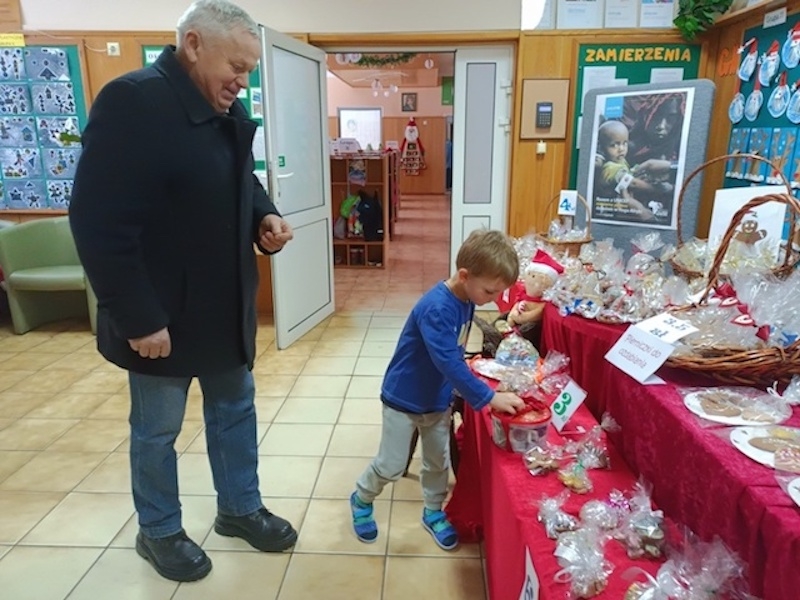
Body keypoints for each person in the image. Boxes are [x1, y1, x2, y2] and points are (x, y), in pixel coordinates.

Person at [69, 0, 297, 583]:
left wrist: (262, 217)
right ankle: (159, 529)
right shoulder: (133, 101)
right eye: (237, 66)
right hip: (160, 314)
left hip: (221, 306)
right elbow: (98, 220)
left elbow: (234, 176)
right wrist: (138, 318)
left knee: (234, 411)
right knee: (157, 429)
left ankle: (239, 509)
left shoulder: (221, 104)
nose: (243, 81)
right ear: (193, 44)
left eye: (249, 70)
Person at [349, 229, 526, 550]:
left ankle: (432, 511)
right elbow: (447, 361)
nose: (494, 299)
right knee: (390, 464)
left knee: (437, 462)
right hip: (404, 398)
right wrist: (488, 397)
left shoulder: (467, 298)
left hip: (436, 399)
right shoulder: (438, 307)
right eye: (490, 290)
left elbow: (455, 351)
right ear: (464, 275)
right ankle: (362, 497)